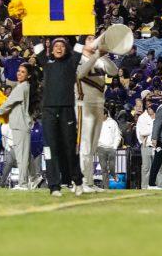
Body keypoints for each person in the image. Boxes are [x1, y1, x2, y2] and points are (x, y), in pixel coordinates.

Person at [33, 38, 89, 197]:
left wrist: (86, 25)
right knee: (50, 149)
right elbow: (36, 43)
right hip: (48, 111)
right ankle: (54, 186)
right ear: (51, 48)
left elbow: (80, 45)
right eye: (55, 45)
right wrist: (28, 19)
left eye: (61, 46)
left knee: (70, 148)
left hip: (66, 111)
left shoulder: (72, 62)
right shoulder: (46, 62)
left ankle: (77, 181)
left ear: (66, 49)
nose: (58, 48)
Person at [76, 41, 118, 193]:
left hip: (99, 104)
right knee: (85, 145)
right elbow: (80, 73)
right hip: (83, 104)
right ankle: (81, 182)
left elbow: (114, 71)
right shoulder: (78, 57)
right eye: (89, 39)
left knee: (93, 147)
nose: (94, 41)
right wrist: (95, 56)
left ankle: (89, 181)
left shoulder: (100, 60)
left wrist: (104, 56)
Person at [0, 63, 37, 190]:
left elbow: (8, 103)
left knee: (22, 156)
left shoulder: (21, 87)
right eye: (18, 71)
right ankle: (34, 178)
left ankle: (23, 183)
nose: (19, 73)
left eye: (23, 72)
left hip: (21, 125)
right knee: (24, 155)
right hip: (21, 124)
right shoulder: (26, 86)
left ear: (29, 75)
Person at [95, 107, 121, 188]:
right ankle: (106, 187)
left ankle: (113, 174)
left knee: (111, 167)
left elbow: (117, 135)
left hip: (111, 148)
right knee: (104, 169)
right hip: (101, 148)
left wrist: (114, 147)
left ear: (105, 115)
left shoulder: (113, 123)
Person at [136, 103, 156, 188]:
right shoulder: (142, 118)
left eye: (150, 108)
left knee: (159, 168)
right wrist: (142, 142)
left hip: (157, 146)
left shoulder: (159, 117)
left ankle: (160, 186)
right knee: (145, 168)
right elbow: (140, 132)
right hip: (146, 145)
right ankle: (144, 187)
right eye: (148, 108)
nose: (149, 110)